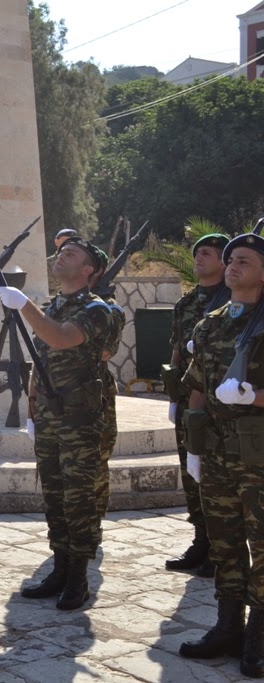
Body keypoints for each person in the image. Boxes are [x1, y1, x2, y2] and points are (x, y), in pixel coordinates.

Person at [0, 235, 113, 611]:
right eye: (60, 252)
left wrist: (24, 306)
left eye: (72, 254)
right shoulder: (52, 305)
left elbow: (62, 339)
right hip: (49, 416)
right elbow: (41, 361)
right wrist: (32, 410)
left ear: (88, 270)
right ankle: (60, 568)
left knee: (79, 498)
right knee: (55, 495)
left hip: (80, 419)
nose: (61, 256)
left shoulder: (96, 309)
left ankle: (78, 577)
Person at [178, 233, 264, 677]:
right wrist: (194, 447)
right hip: (215, 456)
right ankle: (228, 626)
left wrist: (254, 398)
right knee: (225, 546)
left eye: (245, 260)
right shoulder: (209, 323)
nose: (233, 265)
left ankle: (259, 636)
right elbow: (196, 386)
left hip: (259, 459)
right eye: (231, 259)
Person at [163, 234, 229, 577]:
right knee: (193, 474)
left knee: (217, 478)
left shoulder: (237, 301)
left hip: (222, 403)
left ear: (224, 261)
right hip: (189, 398)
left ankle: (223, 550)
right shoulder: (186, 304)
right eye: (197, 253)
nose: (199, 258)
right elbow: (176, 352)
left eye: (207, 253)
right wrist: (173, 396)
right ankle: (201, 541)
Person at [90, 247, 126, 521]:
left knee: (97, 458)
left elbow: (104, 352)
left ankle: (93, 521)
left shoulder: (110, 309)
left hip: (95, 388)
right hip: (61, 392)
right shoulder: (62, 304)